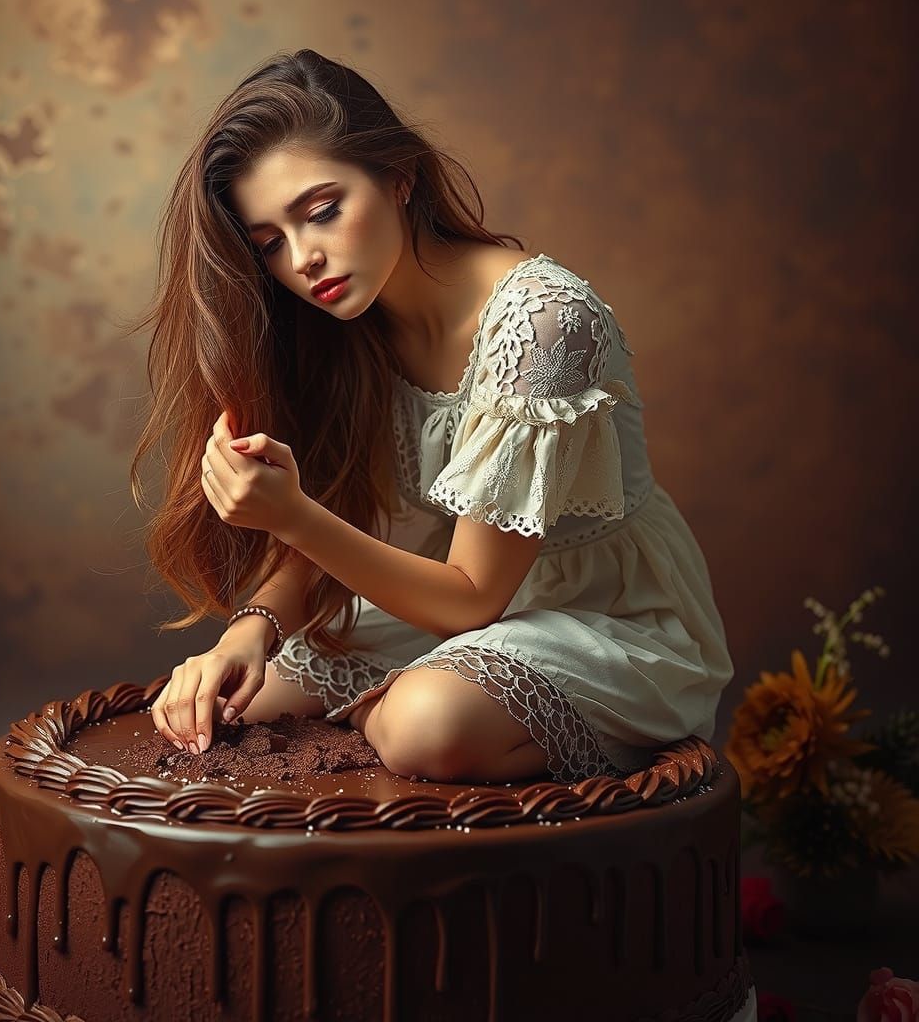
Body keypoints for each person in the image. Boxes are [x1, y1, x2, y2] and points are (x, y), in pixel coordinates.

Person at [126, 48, 735, 784]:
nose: (303, 260)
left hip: (606, 618)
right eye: (270, 246)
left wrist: (288, 516)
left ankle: (404, 716)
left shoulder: (545, 324)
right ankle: (396, 709)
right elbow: (340, 515)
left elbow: (473, 598)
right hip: (463, 608)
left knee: (424, 725)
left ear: (399, 177)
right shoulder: (352, 325)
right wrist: (250, 629)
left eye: (322, 212)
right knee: (239, 702)